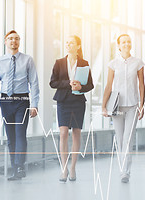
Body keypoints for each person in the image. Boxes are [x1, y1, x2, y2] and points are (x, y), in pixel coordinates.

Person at [0, 30, 39, 181]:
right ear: (5, 42)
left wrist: (35, 104)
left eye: (17, 39)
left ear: (19, 42)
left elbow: (34, 83)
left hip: (22, 101)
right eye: (10, 39)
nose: (14, 41)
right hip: (5, 101)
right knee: (10, 137)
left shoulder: (27, 60)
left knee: (20, 133)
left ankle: (19, 166)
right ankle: (14, 168)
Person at [49, 35, 94, 182]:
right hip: (63, 101)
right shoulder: (59, 62)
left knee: (76, 133)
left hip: (78, 102)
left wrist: (81, 87)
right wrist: (68, 83)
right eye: (67, 43)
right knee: (63, 133)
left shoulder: (84, 63)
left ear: (78, 46)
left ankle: (73, 167)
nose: (68, 45)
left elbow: (90, 85)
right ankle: (64, 168)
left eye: (72, 43)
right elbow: (52, 83)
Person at [102, 34, 145, 183]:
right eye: (123, 42)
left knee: (128, 139)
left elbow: (141, 84)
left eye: (128, 42)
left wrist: (141, 104)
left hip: (133, 105)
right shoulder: (113, 64)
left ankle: (125, 171)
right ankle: (122, 168)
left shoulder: (138, 63)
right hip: (117, 106)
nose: (126, 44)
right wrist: (103, 106)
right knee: (120, 139)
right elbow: (108, 86)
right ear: (119, 45)